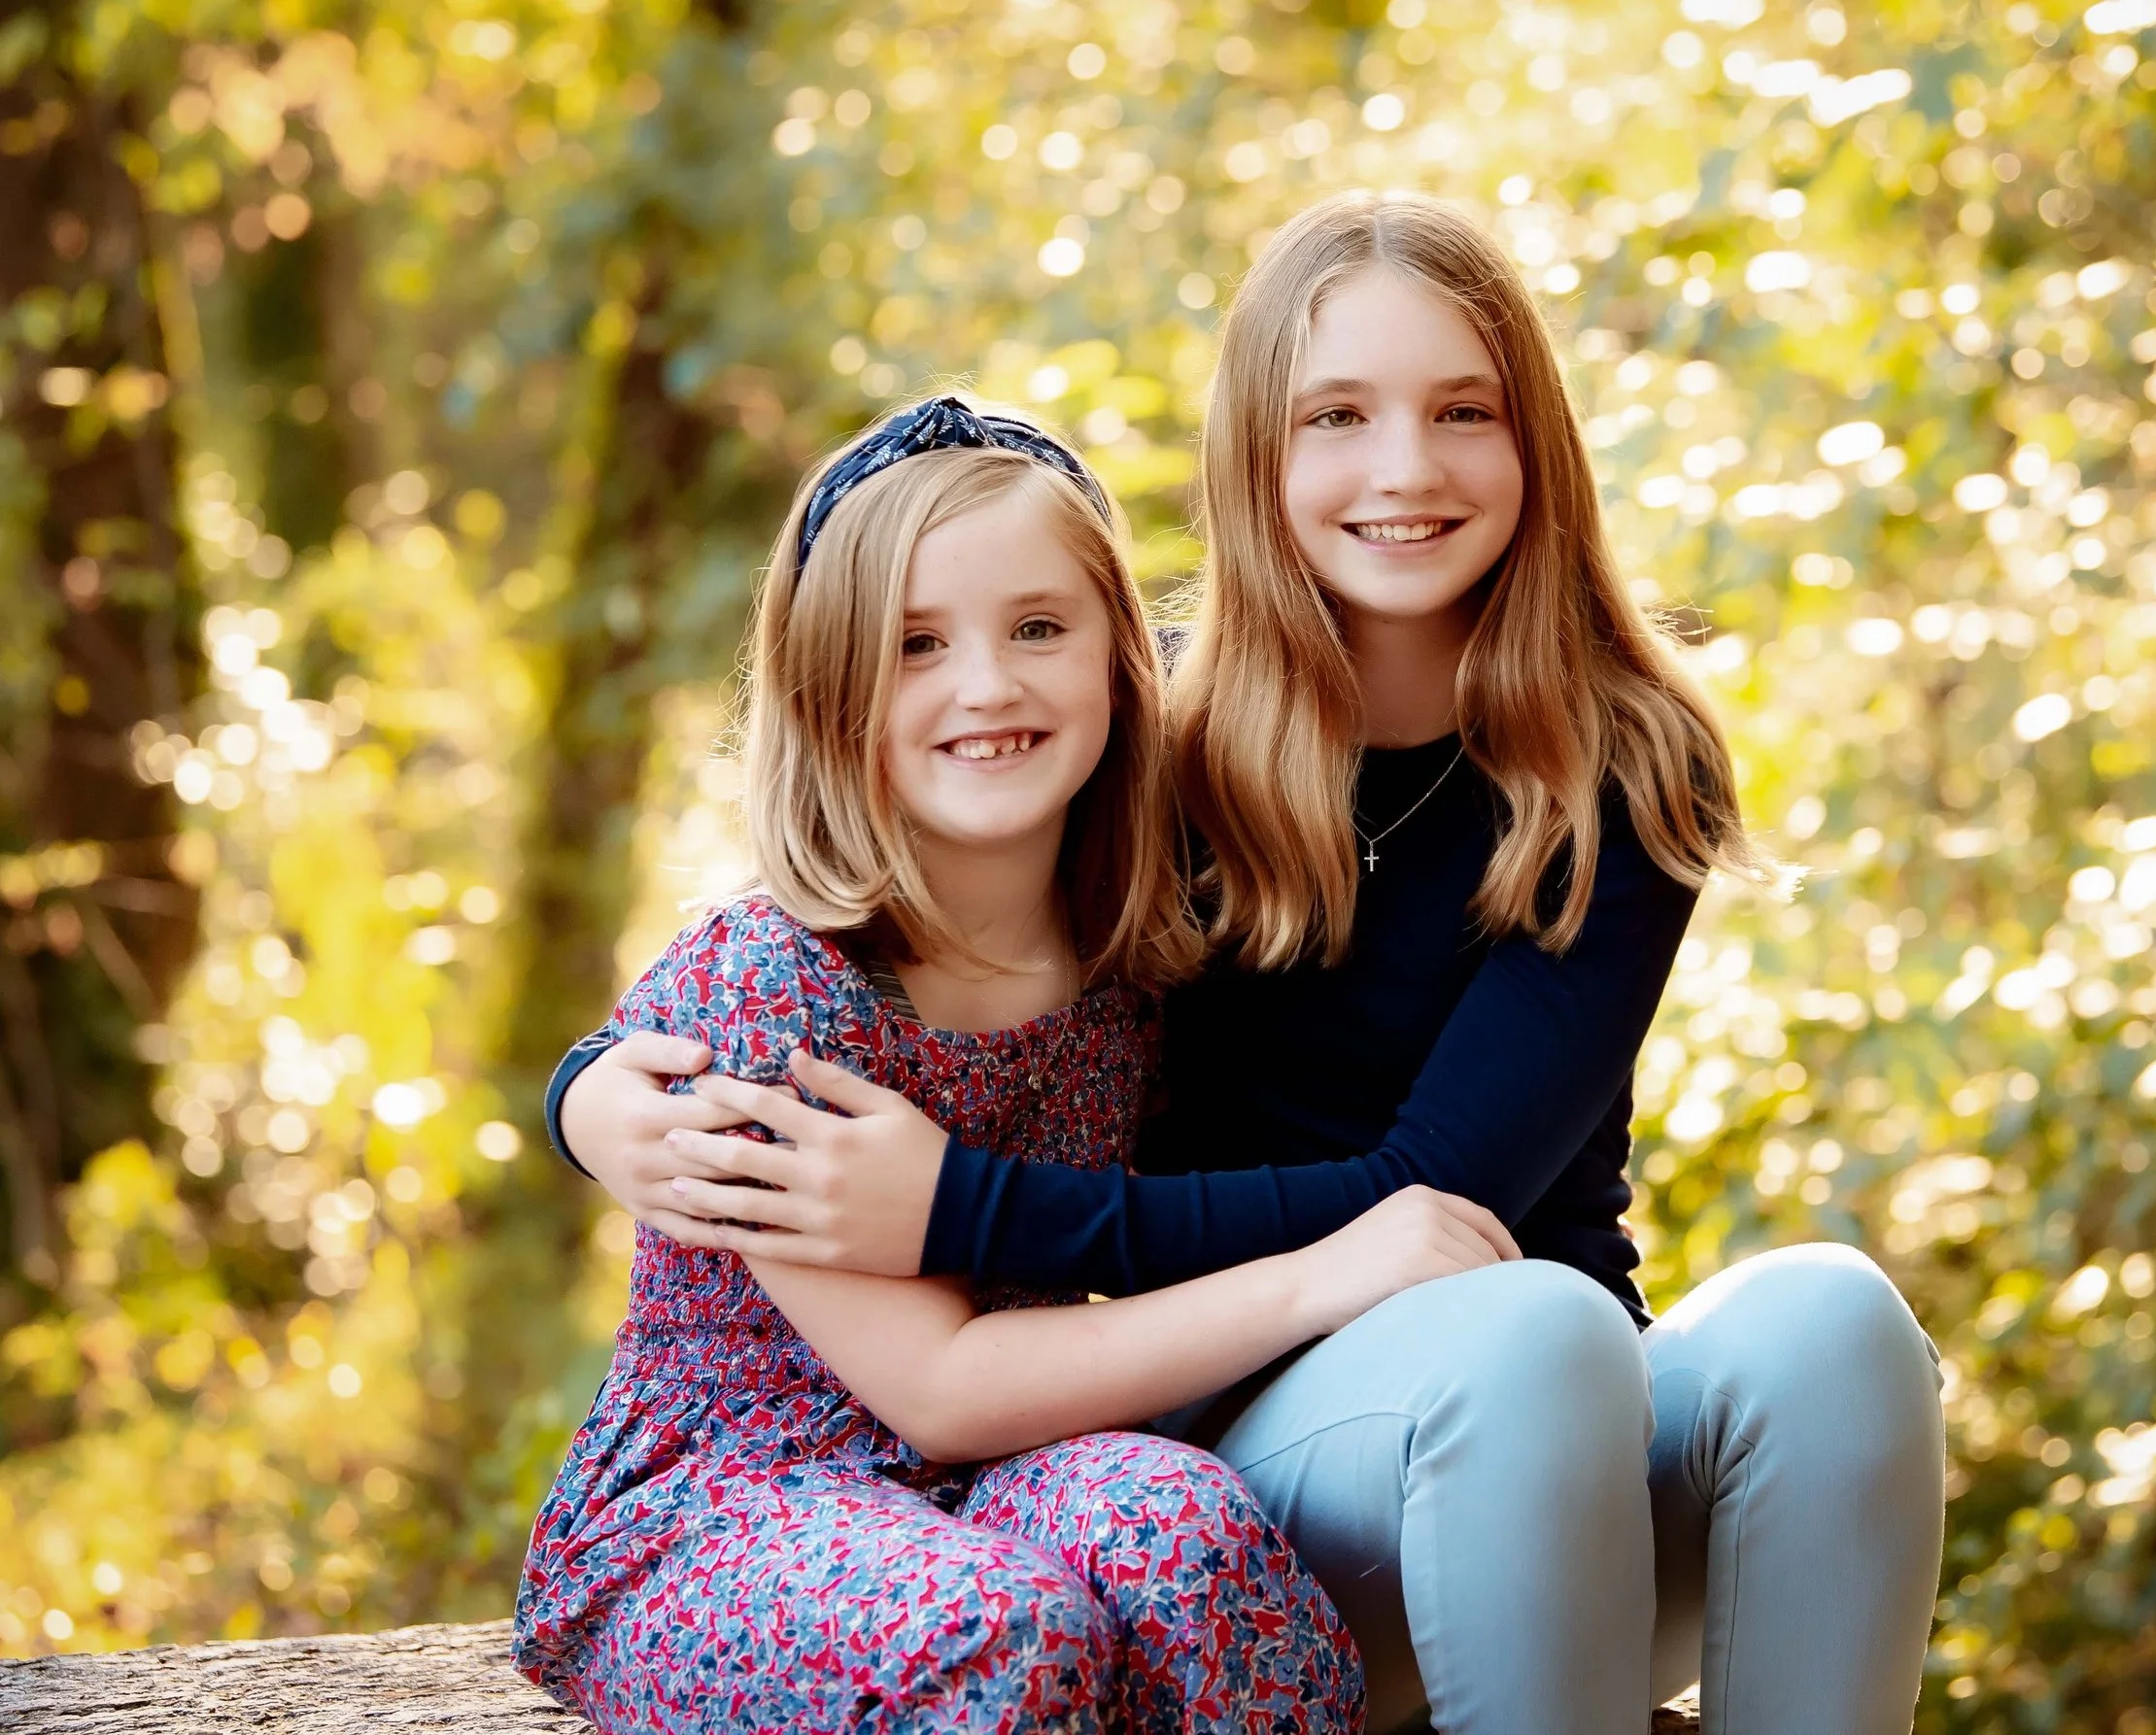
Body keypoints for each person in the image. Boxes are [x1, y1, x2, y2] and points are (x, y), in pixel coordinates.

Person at [552, 196, 1945, 1734]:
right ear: (1254, 459)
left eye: (1463, 410)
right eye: (1338, 415)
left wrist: (957, 1201)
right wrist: (590, 1094)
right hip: (1266, 1450)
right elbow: (861, 927)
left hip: (1554, 1459)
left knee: (1829, 1318)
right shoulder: (1160, 749)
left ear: (1536, 444)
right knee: (1528, 1329)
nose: (1404, 468)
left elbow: (1438, 1202)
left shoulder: (1623, 769)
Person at [517, 397, 1520, 1732]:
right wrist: (1318, 1275)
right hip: (727, 1506)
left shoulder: (1132, 935)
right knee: (1002, 1632)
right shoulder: (774, 990)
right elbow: (940, 1389)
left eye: (1040, 628)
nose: (987, 686)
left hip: (1003, 1479)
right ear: (828, 690)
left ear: (1123, 661)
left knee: (1195, 1540)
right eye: (916, 645)